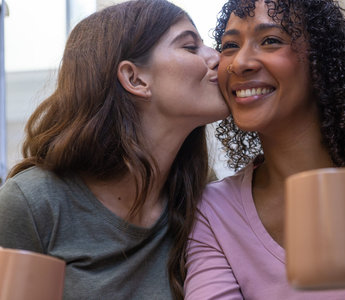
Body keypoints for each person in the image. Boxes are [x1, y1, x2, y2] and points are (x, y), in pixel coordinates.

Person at [184, 0, 345, 299]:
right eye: (230, 45)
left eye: (270, 40)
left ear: (321, 59)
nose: (239, 62)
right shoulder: (214, 211)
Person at [0, 0, 228, 299]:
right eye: (190, 46)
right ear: (135, 78)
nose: (218, 58)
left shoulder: (201, 192)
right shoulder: (31, 204)